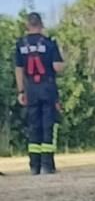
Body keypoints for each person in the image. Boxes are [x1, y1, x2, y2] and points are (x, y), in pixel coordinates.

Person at [14, 12, 64, 174]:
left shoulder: (20, 44)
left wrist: (21, 90)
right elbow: (57, 67)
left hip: (31, 89)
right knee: (48, 125)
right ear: (41, 25)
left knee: (33, 126)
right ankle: (47, 165)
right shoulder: (49, 43)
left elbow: (19, 69)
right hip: (47, 87)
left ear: (27, 25)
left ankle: (34, 165)